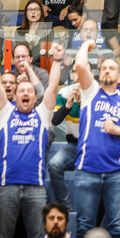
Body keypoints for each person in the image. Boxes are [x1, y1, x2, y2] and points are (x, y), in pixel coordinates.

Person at [0, 42, 61, 238]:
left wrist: (58, 60)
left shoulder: (42, 114)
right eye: (22, 90)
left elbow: (53, 86)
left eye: (30, 91)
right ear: (15, 95)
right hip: (7, 186)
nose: (26, 93)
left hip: (36, 187)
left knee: (37, 235)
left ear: (35, 96)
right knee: (2, 235)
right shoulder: (5, 113)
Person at [73, 40, 120, 238]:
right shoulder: (90, 91)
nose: (107, 71)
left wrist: (118, 131)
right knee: (84, 226)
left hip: (117, 172)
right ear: (99, 74)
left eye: (112, 68)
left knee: (117, 226)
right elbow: (79, 65)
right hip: (87, 170)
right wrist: (85, 45)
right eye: (104, 68)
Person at [47, 81, 81, 212]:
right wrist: (67, 106)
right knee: (54, 164)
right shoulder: (63, 93)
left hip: (93, 147)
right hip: (73, 145)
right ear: (72, 76)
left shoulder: (97, 92)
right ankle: (67, 208)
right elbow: (55, 121)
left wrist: (81, 103)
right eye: (76, 72)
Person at [15, 0, 53, 66]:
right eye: (30, 10)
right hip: (23, 66)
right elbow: (20, 54)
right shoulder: (19, 31)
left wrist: (34, 44)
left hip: (41, 67)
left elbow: (45, 56)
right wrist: (30, 43)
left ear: (41, 13)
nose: (33, 12)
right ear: (26, 14)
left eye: (36, 9)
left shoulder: (48, 31)